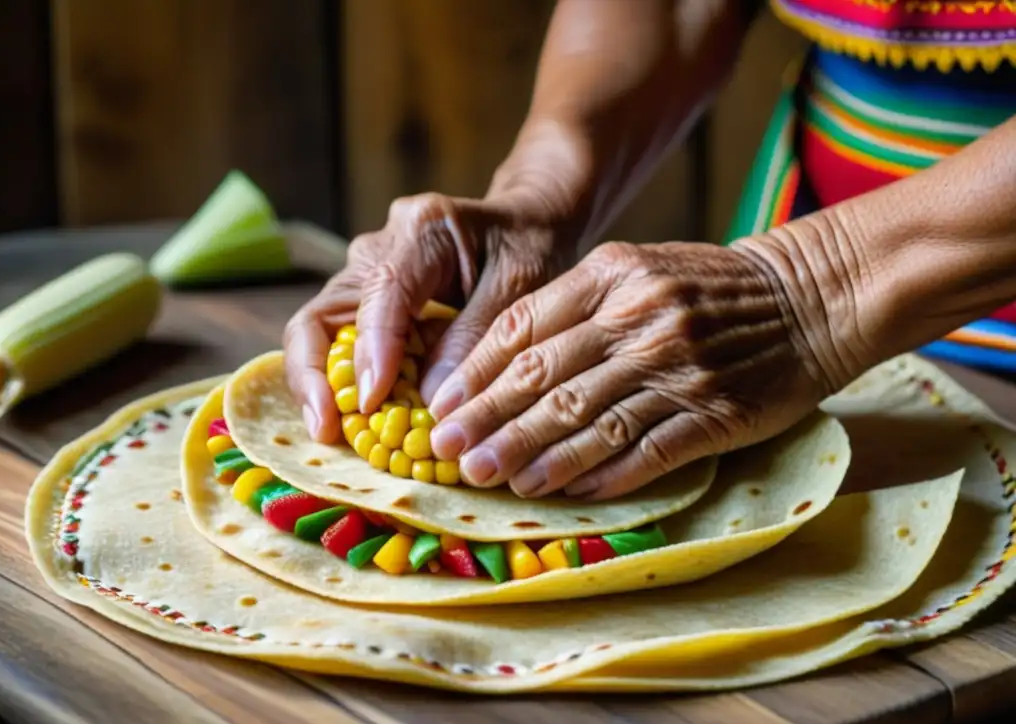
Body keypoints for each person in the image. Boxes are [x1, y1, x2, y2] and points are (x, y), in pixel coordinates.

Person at [284, 0, 1016, 501]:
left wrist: (814, 287)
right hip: (790, 284)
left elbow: (815, 286)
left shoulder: (806, 292)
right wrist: (540, 189)